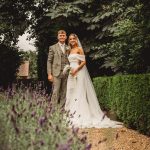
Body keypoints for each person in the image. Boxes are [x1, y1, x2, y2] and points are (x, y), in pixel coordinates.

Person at [64, 33, 123, 128]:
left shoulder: (79, 49)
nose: (72, 40)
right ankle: (71, 114)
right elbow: (69, 62)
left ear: (76, 40)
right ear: (69, 41)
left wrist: (76, 70)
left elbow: (84, 62)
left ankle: (81, 114)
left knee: (79, 92)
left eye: (73, 39)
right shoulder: (69, 51)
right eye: (70, 39)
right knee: (72, 92)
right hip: (71, 73)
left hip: (78, 72)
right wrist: (69, 69)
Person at [47, 30, 69, 106]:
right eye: (60, 35)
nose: (62, 37)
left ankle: (62, 108)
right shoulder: (52, 47)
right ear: (58, 37)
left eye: (63, 35)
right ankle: (53, 109)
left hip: (66, 73)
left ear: (66, 37)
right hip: (56, 73)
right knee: (55, 91)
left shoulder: (68, 47)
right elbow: (49, 61)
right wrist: (49, 74)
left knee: (64, 91)